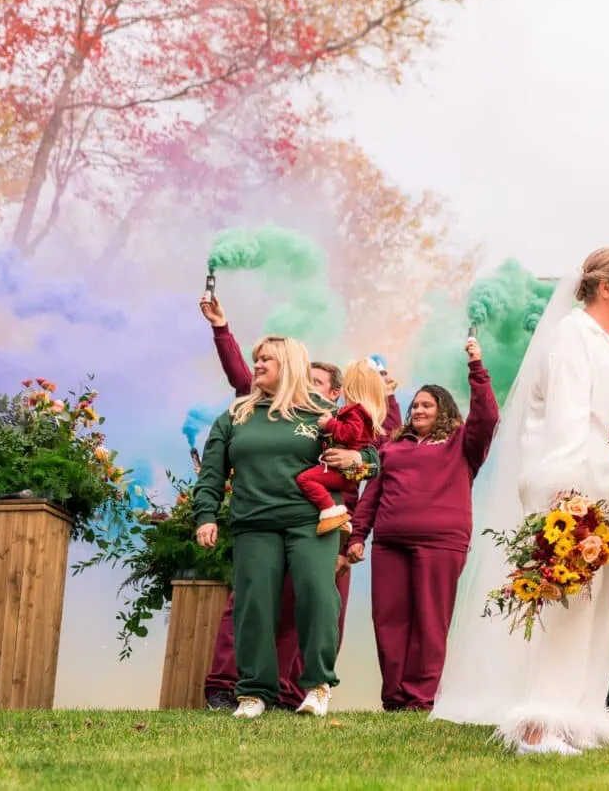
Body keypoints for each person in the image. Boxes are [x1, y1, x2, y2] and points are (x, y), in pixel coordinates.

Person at [431, 249, 609, 754]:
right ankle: (538, 725)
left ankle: (575, 718)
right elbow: (567, 420)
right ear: (608, 288)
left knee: (595, 615)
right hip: (577, 493)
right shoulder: (573, 336)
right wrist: (568, 499)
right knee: (565, 612)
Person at [197, 293, 400, 711]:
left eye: (265, 360)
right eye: (256, 360)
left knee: (317, 596)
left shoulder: (320, 413)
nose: (257, 366)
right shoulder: (236, 415)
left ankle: (318, 687)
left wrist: (355, 458)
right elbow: (211, 474)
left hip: (311, 522)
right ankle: (254, 692)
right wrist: (205, 515)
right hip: (254, 523)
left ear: (286, 366)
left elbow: (374, 457)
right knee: (254, 605)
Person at [345, 338, 499, 712]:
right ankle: (395, 697)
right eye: (414, 405)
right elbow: (372, 493)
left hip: (440, 544)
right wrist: (358, 536)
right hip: (389, 544)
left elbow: (488, 417)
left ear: (444, 409)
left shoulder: (463, 445)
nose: (418, 410)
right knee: (389, 621)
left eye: (426, 404)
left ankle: (421, 697)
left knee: (430, 622)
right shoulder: (393, 448)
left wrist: (477, 369)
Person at [301, 361, 388, 534]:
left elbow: (374, 460)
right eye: (304, 382)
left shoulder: (341, 414)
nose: (308, 388)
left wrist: (357, 458)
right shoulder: (285, 411)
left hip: (322, 510)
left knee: (306, 479)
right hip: (287, 509)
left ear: (336, 393)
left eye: (316, 382)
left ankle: (333, 513)